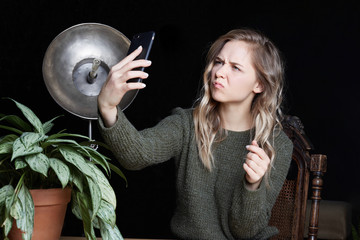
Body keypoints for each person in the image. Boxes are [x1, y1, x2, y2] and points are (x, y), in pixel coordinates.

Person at [97, 28, 293, 239]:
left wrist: (252, 185)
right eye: (219, 62)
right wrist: (108, 107)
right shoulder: (186, 124)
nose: (219, 72)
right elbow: (136, 155)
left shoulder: (275, 145)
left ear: (259, 84)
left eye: (235, 67)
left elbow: (246, 233)